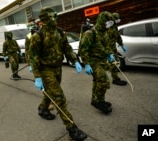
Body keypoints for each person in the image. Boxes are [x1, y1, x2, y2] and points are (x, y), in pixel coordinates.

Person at [28, 7, 87, 141]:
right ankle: (72, 129)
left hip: (57, 68)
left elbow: (67, 48)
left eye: (55, 17)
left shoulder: (59, 32)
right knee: (59, 98)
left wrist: (75, 60)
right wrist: (37, 76)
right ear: (44, 20)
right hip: (45, 70)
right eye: (51, 18)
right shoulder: (38, 36)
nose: (54, 20)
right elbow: (33, 57)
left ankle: (43, 109)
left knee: (51, 93)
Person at [79, 11, 116, 114]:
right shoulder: (90, 33)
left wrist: (109, 54)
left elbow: (107, 45)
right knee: (104, 81)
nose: (109, 25)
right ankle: (99, 102)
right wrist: (86, 64)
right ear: (102, 21)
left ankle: (97, 99)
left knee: (98, 82)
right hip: (93, 62)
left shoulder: (104, 32)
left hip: (102, 61)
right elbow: (83, 50)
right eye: (107, 22)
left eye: (111, 23)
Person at [107, 12, 127, 86]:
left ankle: (116, 77)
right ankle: (115, 79)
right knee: (113, 63)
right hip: (109, 48)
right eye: (117, 19)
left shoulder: (114, 26)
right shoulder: (108, 28)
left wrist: (121, 44)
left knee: (116, 62)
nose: (118, 21)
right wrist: (109, 53)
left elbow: (118, 36)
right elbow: (105, 41)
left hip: (113, 47)